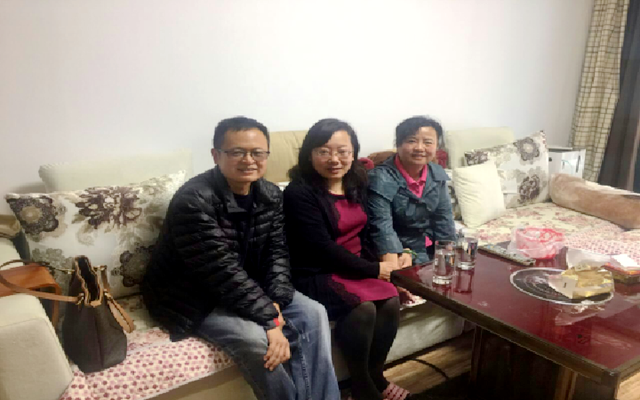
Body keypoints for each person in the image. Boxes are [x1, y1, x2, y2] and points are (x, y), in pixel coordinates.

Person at [141, 117, 340, 400]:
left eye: (257, 152)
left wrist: (277, 302)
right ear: (216, 155)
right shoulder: (193, 201)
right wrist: (271, 321)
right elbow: (220, 272)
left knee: (313, 313)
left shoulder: (270, 194)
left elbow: (277, 254)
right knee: (256, 340)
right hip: (194, 295)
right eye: (237, 152)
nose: (249, 160)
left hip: (247, 286)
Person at [283, 118, 411, 400]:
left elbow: (366, 233)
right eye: (324, 151)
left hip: (355, 267)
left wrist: (387, 268)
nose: (334, 159)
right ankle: (361, 385)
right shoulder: (298, 192)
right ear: (309, 154)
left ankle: (376, 375)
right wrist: (375, 270)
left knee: (391, 299)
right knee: (363, 308)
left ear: (353, 153)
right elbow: (321, 249)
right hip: (317, 271)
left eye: (343, 151)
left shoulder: (357, 181)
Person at [368, 116, 456, 265]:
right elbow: (381, 226)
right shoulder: (381, 178)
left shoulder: (436, 173)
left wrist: (448, 255)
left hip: (429, 247)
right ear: (398, 144)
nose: (420, 148)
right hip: (399, 250)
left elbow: (444, 218)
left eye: (428, 142)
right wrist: (394, 265)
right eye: (411, 141)